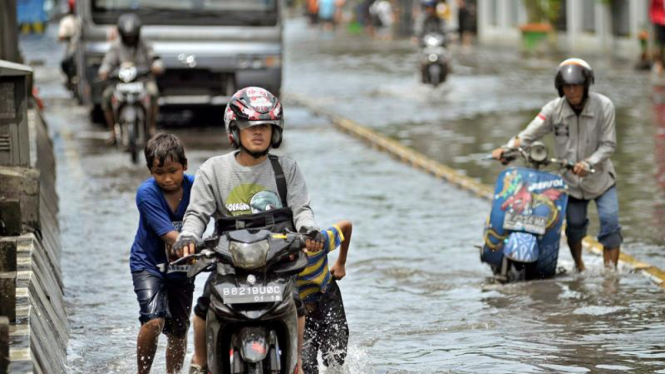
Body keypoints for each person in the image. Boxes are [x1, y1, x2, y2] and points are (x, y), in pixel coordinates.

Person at [171, 87, 325, 374]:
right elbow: (196, 214)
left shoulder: (287, 169)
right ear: (234, 130)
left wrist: (309, 231)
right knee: (204, 305)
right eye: (250, 126)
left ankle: (297, 364)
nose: (258, 133)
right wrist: (188, 237)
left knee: (296, 303)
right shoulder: (213, 170)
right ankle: (201, 361)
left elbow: (302, 209)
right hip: (229, 263)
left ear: (275, 131)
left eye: (265, 127)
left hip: (276, 262)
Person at [492, 58, 622, 271]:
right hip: (570, 182)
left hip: (601, 179)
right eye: (566, 87)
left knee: (610, 223)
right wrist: (506, 149)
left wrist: (588, 163)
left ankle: (611, 275)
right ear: (560, 88)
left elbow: (608, 145)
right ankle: (580, 266)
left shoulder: (604, 106)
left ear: (586, 85)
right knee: (574, 228)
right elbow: (529, 134)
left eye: (576, 85)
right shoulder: (553, 109)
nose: (572, 91)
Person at [130, 133, 195, 374]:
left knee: (179, 330)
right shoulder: (146, 194)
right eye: (159, 173)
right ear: (150, 171)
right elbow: (168, 235)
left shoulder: (196, 188)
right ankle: (143, 372)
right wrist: (192, 245)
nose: (167, 179)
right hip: (148, 264)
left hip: (183, 267)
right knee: (154, 320)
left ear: (184, 166)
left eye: (173, 171)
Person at [98, 13, 164, 144]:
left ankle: (151, 127)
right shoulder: (116, 46)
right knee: (106, 97)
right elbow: (107, 62)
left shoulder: (144, 44)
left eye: (132, 36)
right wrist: (104, 71)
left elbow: (155, 58)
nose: (130, 39)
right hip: (120, 82)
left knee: (153, 93)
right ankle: (112, 131)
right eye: (127, 37)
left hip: (142, 81)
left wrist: (156, 66)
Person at [300, 220, 352, 374]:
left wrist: (341, 263)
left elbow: (346, 226)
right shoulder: (278, 254)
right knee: (307, 364)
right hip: (299, 309)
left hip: (327, 298)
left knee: (336, 354)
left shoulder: (317, 242)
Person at [58, 0, 80, 92]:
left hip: (77, 50)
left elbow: (60, 37)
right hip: (73, 50)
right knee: (65, 64)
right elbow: (61, 37)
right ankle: (70, 81)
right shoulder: (77, 19)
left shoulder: (69, 20)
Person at [650, 0, 665, 75]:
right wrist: (655, 18)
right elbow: (653, 8)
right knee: (660, 43)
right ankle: (659, 64)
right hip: (660, 21)